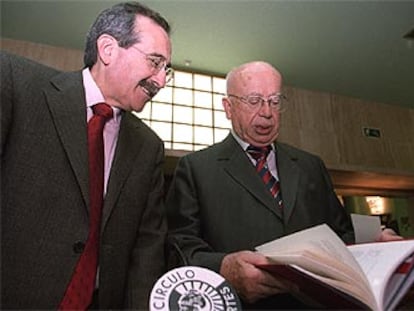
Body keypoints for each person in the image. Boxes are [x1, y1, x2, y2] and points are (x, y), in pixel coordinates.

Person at [165, 61, 402, 309]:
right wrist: (224, 268)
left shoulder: (311, 165)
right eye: (254, 100)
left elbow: (340, 233)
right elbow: (178, 247)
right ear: (228, 107)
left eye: (275, 101)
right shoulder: (196, 168)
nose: (267, 112)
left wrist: (373, 241)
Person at [1, 2, 172, 309]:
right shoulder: (16, 84)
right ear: (108, 49)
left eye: (165, 70)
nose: (160, 81)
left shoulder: (148, 147)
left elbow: (147, 247)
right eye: (154, 62)